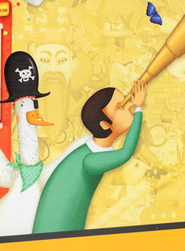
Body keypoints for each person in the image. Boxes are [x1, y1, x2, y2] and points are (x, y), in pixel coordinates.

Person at [32, 79, 147, 233]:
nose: (130, 105)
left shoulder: (88, 150)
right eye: (120, 106)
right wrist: (139, 108)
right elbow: (125, 153)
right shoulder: (90, 161)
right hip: (56, 231)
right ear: (104, 124)